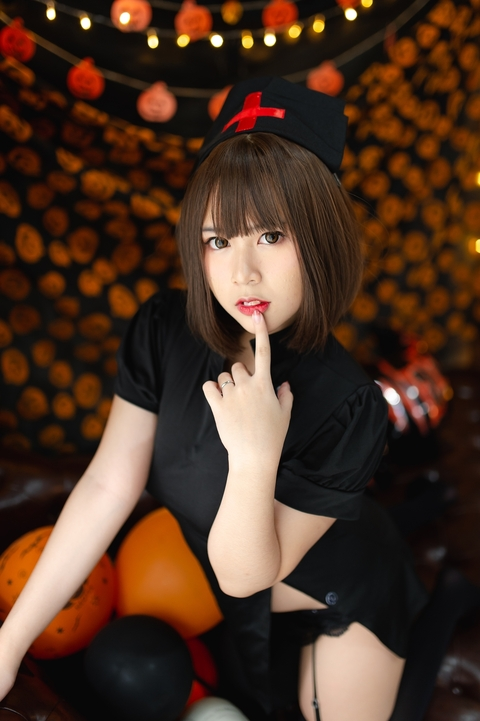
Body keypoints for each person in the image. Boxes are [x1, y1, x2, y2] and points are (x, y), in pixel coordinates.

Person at [0, 77, 427, 721]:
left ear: (319, 238)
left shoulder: (349, 405)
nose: (243, 273)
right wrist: (8, 646)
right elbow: (107, 487)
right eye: (218, 240)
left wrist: (254, 454)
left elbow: (246, 573)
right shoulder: (162, 330)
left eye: (271, 236)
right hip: (220, 598)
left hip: (332, 593)